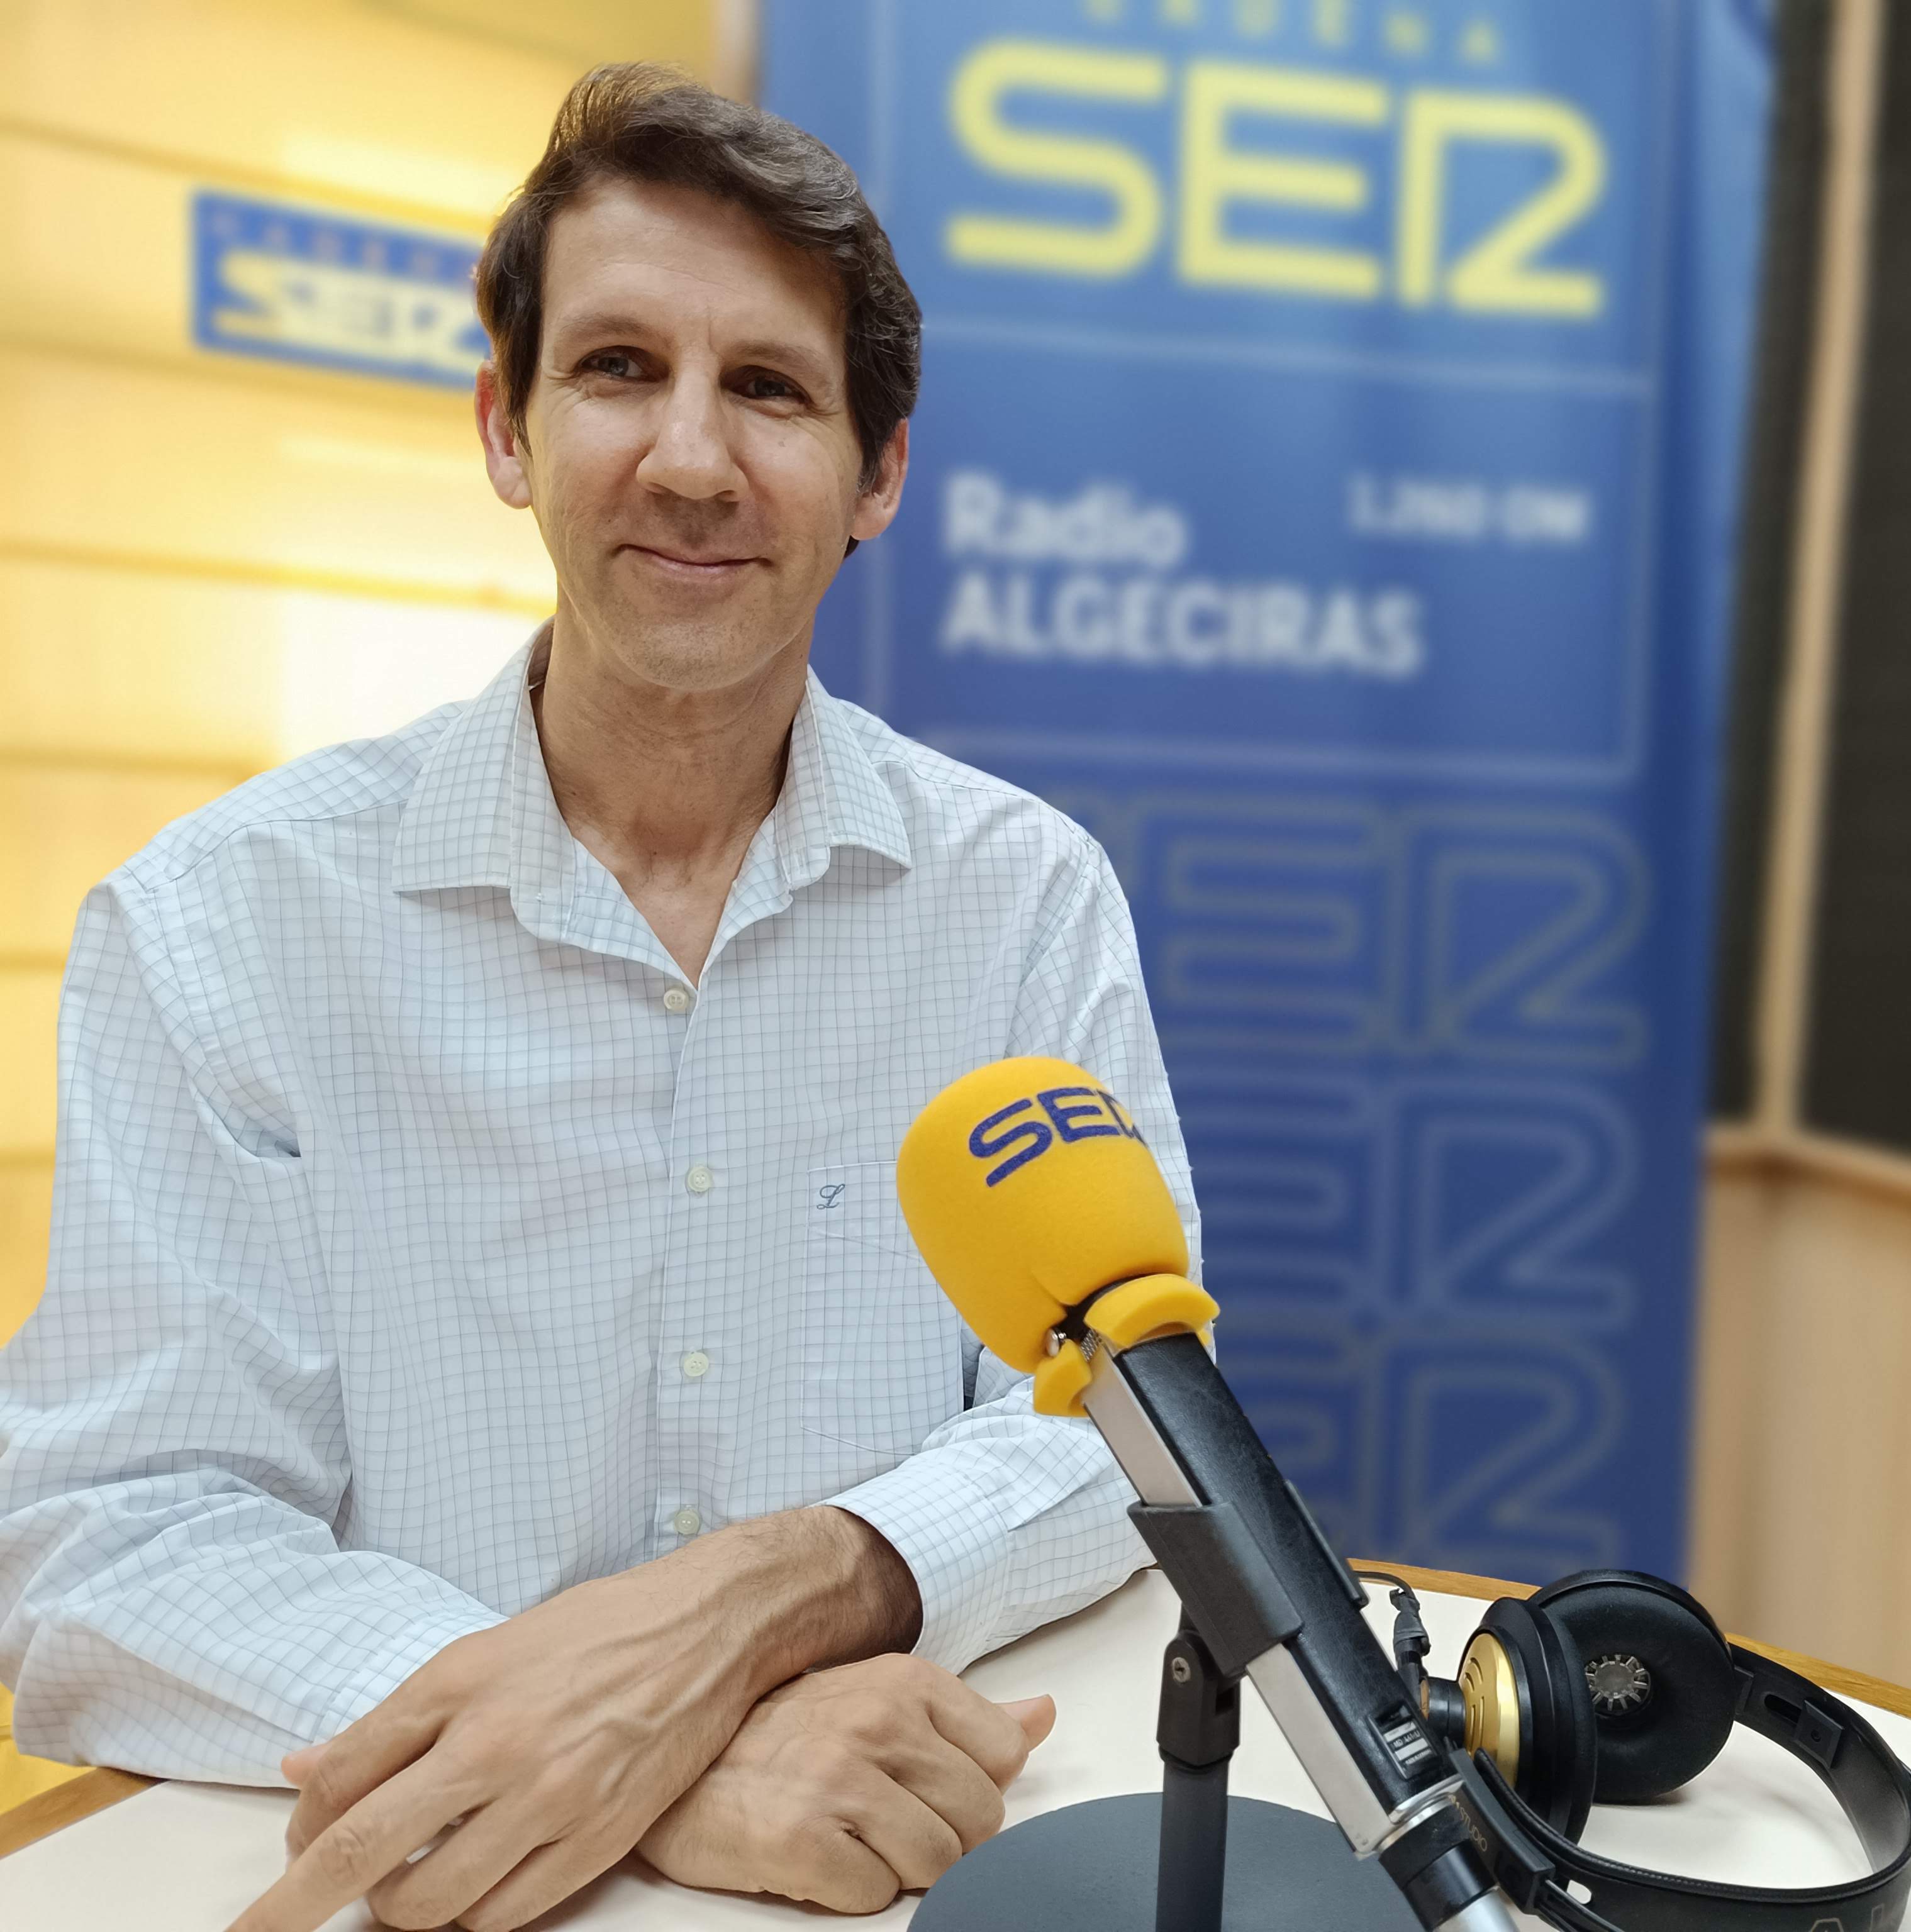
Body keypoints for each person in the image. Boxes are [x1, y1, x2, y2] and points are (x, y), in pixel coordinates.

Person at [0, 65, 1196, 1932]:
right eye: (620, 368)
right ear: (507, 425)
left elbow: (1123, 1427)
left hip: (893, 1876)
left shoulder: (1021, 900)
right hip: (422, 1883)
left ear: (879, 475)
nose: (695, 459)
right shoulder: (216, 925)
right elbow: (120, 1540)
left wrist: (777, 1589)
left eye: (772, 389)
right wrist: (639, 1743)